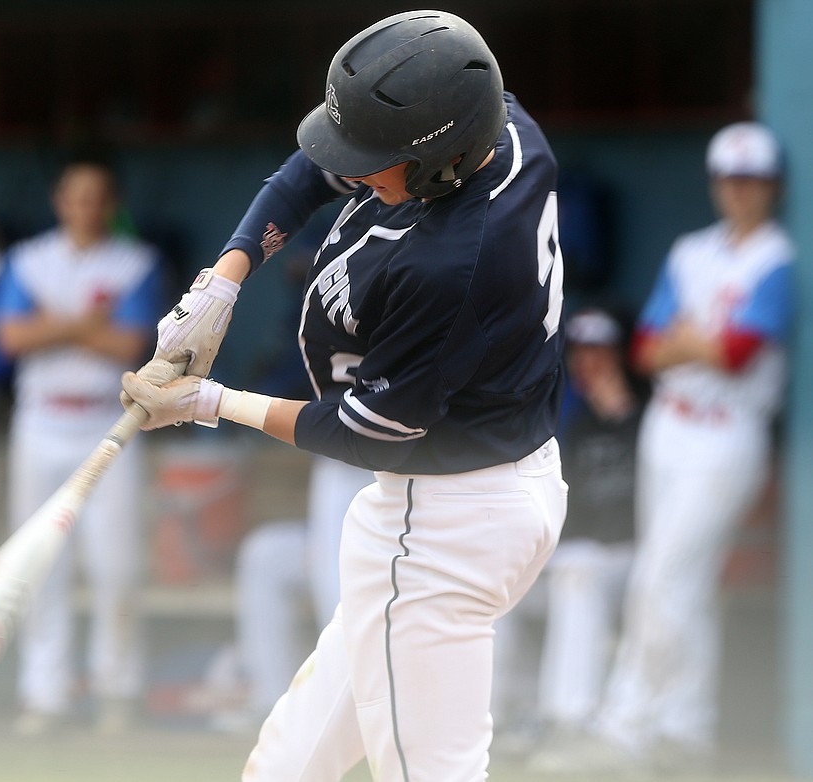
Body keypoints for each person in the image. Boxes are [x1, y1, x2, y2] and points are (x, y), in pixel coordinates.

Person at [119, 11, 568, 781]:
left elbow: (371, 429)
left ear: (438, 163)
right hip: (489, 487)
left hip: (439, 525)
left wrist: (210, 402)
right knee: (288, 766)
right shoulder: (498, 129)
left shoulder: (453, 264)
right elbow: (308, 174)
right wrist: (222, 282)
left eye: (374, 160)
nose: (352, 171)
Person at [568, 121, 795, 775]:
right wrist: (697, 342)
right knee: (680, 585)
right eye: (730, 178)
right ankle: (685, 728)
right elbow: (644, 349)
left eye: (752, 179)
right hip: (670, 423)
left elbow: (737, 351)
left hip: (728, 430)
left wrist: (693, 342)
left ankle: (625, 723)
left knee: (662, 576)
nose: (740, 190)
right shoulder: (693, 250)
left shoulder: (776, 257)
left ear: (772, 186)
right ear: (715, 183)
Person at [0, 159, 164, 736]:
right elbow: (10, 337)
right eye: (75, 195)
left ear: (111, 203)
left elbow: (130, 343)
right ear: (59, 200)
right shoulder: (29, 259)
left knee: (116, 565)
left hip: (109, 421)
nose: (85, 206)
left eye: (97, 196)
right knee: (40, 561)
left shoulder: (133, 262)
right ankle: (45, 693)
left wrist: (53, 325)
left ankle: (117, 689)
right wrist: (86, 323)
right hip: (41, 421)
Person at [490, 306, 641, 767]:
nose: (589, 364)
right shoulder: (571, 426)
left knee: (579, 569)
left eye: (601, 352)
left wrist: (624, 414)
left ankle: (569, 722)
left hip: (631, 564)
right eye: (581, 353)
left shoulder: (650, 419)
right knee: (492, 582)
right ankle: (497, 717)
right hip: (576, 564)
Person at [219, 456, 373, 733]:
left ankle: (361, 716)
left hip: (393, 494)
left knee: (341, 600)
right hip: (338, 483)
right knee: (267, 556)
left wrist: (217, 408)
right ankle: (274, 708)